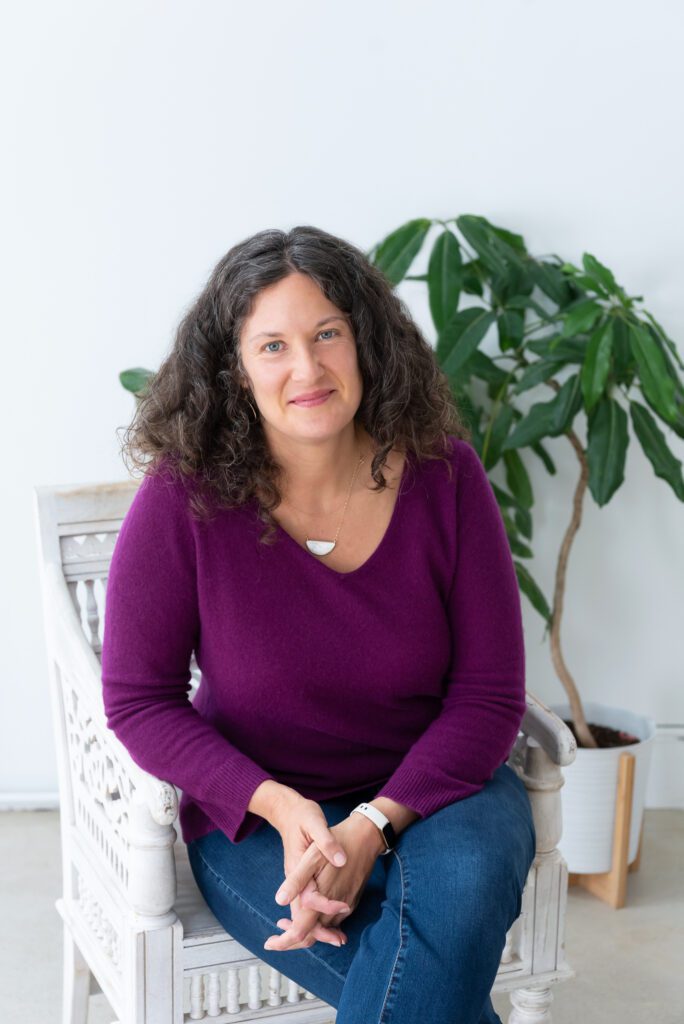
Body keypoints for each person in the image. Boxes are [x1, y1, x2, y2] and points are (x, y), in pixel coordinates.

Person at [101, 225, 536, 1024]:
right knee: (427, 977)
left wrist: (374, 824)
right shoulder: (184, 499)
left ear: (365, 341)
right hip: (262, 820)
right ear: (235, 370)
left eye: (327, 334)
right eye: (273, 346)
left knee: (462, 890)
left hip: (441, 793)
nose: (307, 368)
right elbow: (139, 699)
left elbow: (486, 697)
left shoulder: (445, 476)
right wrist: (274, 803)